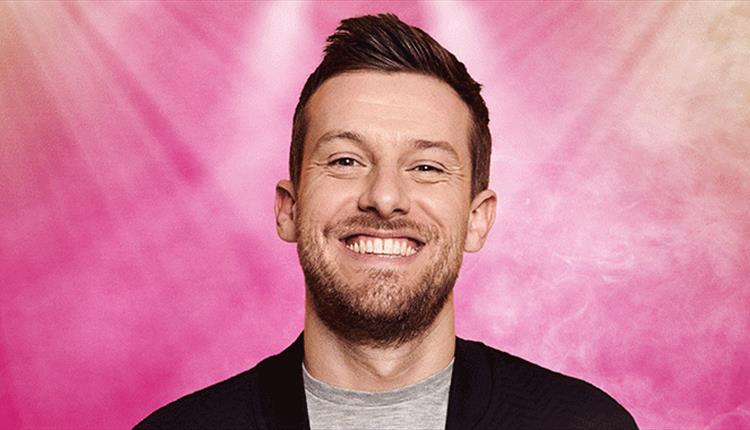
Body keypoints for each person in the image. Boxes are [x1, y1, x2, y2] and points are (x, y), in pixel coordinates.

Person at [136, 14, 637, 429]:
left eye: (426, 167)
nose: (385, 197)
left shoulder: (585, 424)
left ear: (477, 220)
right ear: (289, 208)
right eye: (346, 161)